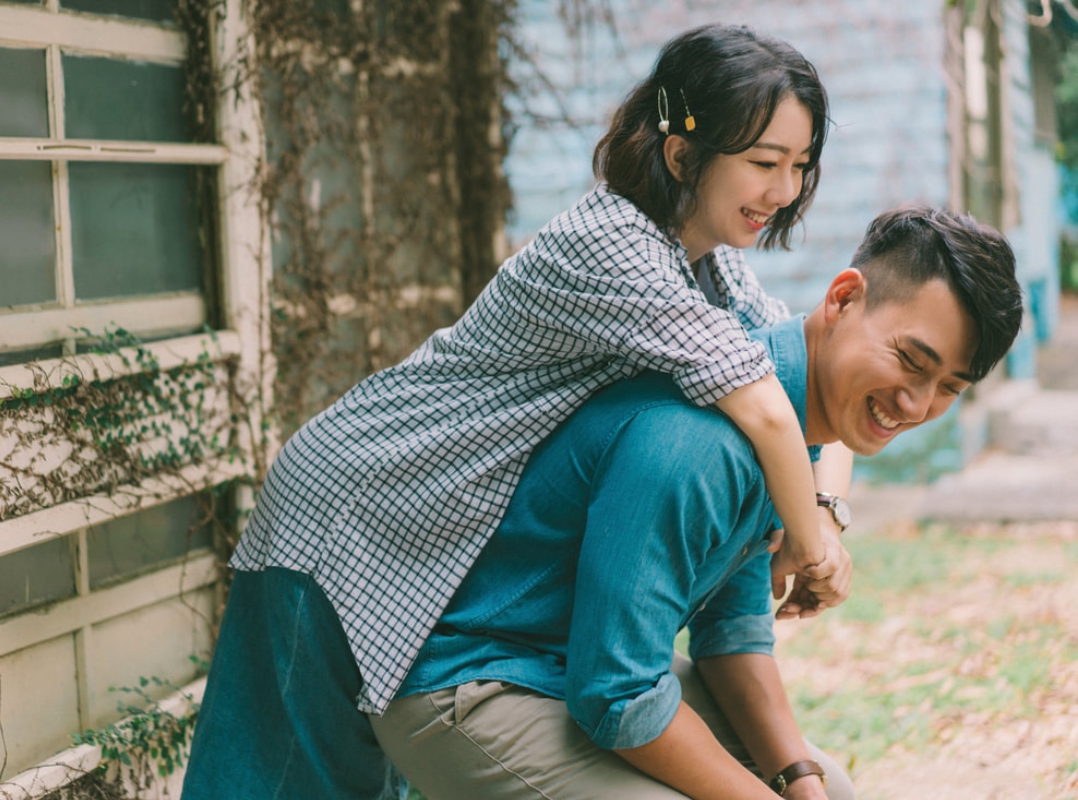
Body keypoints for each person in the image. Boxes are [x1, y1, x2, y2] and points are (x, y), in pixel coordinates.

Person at [183, 24, 856, 800]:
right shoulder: (611, 246)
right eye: (764, 163)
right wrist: (810, 544)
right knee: (293, 784)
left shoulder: (711, 270)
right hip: (354, 511)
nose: (783, 193)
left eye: (800, 167)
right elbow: (772, 412)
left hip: (429, 531)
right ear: (682, 155)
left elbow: (803, 378)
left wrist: (826, 509)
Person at [373, 205, 1023, 799]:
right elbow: (620, 696)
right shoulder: (702, 443)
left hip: (573, 663)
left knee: (835, 789)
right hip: (470, 686)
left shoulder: (787, 430)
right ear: (844, 298)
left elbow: (731, 635)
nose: (916, 404)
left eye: (947, 388)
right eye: (911, 361)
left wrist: (797, 778)